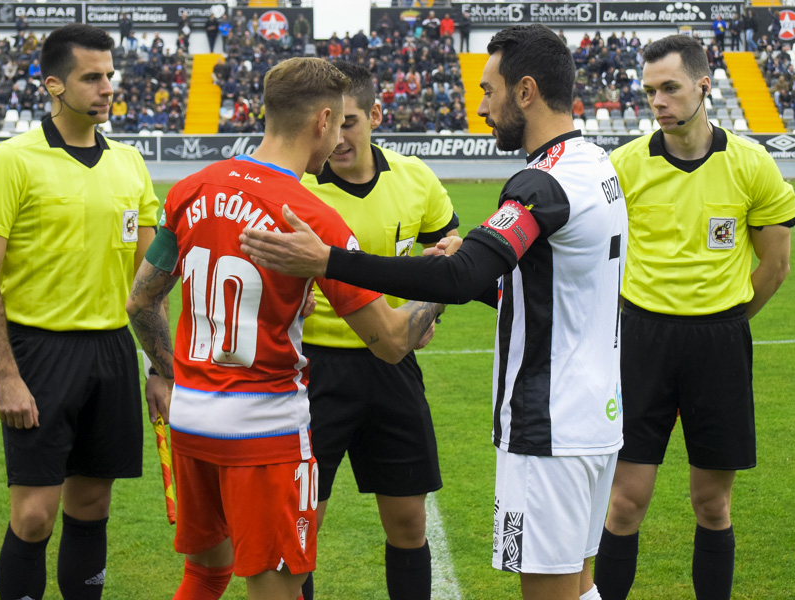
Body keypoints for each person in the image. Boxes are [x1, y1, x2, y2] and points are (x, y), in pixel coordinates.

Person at [240, 24, 627, 600]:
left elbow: (461, 273)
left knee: (548, 589)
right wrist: (462, 268)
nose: (481, 107)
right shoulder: (596, 164)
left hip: (549, 423)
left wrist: (330, 261)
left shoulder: (542, 183)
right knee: (581, 585)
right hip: (596, 416)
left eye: (488, 90)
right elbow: (524, 288)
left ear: (525, 92)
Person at [125, 57, 443, 600]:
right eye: (338, 123)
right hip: (263, 433)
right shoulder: (311, 219)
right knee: (276, 586)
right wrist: (438, 284)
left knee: (204, 574)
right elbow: (390, 341)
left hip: (193, 420)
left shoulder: (191, 189)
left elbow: (140, 303)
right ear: (322, 121)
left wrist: (167, 374)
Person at [591, 35, 795, 600]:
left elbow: (775, 266)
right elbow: (594, 259)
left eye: (670, 88)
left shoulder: (751, 164)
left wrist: (726, 321)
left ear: (703, 87)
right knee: (625, 504)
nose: (657, 101)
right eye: (650, 90)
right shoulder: (624, 167)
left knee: (712, 505)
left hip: (718, 344)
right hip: (641, 340)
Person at [0, 24, 162, 600]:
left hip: (111, 351)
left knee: (93, 506)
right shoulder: (12, 161)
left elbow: (148, 282)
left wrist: (162, 367)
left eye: (110, 75)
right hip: (39, 352)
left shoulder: (129, 163)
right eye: (92, 77)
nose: (107, 88)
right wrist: (6, 375)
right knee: (33, 517)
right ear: (54, 85)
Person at [292, 60, 459, 600]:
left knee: (409, 523)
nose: (339, 137)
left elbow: (449, 253)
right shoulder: (297, 188)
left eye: (351, 122)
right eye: (330, 124)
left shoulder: (416, 179)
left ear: (375, 115)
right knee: (300, 528)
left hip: (393, 366)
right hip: (313, 373)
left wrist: (428, 314)